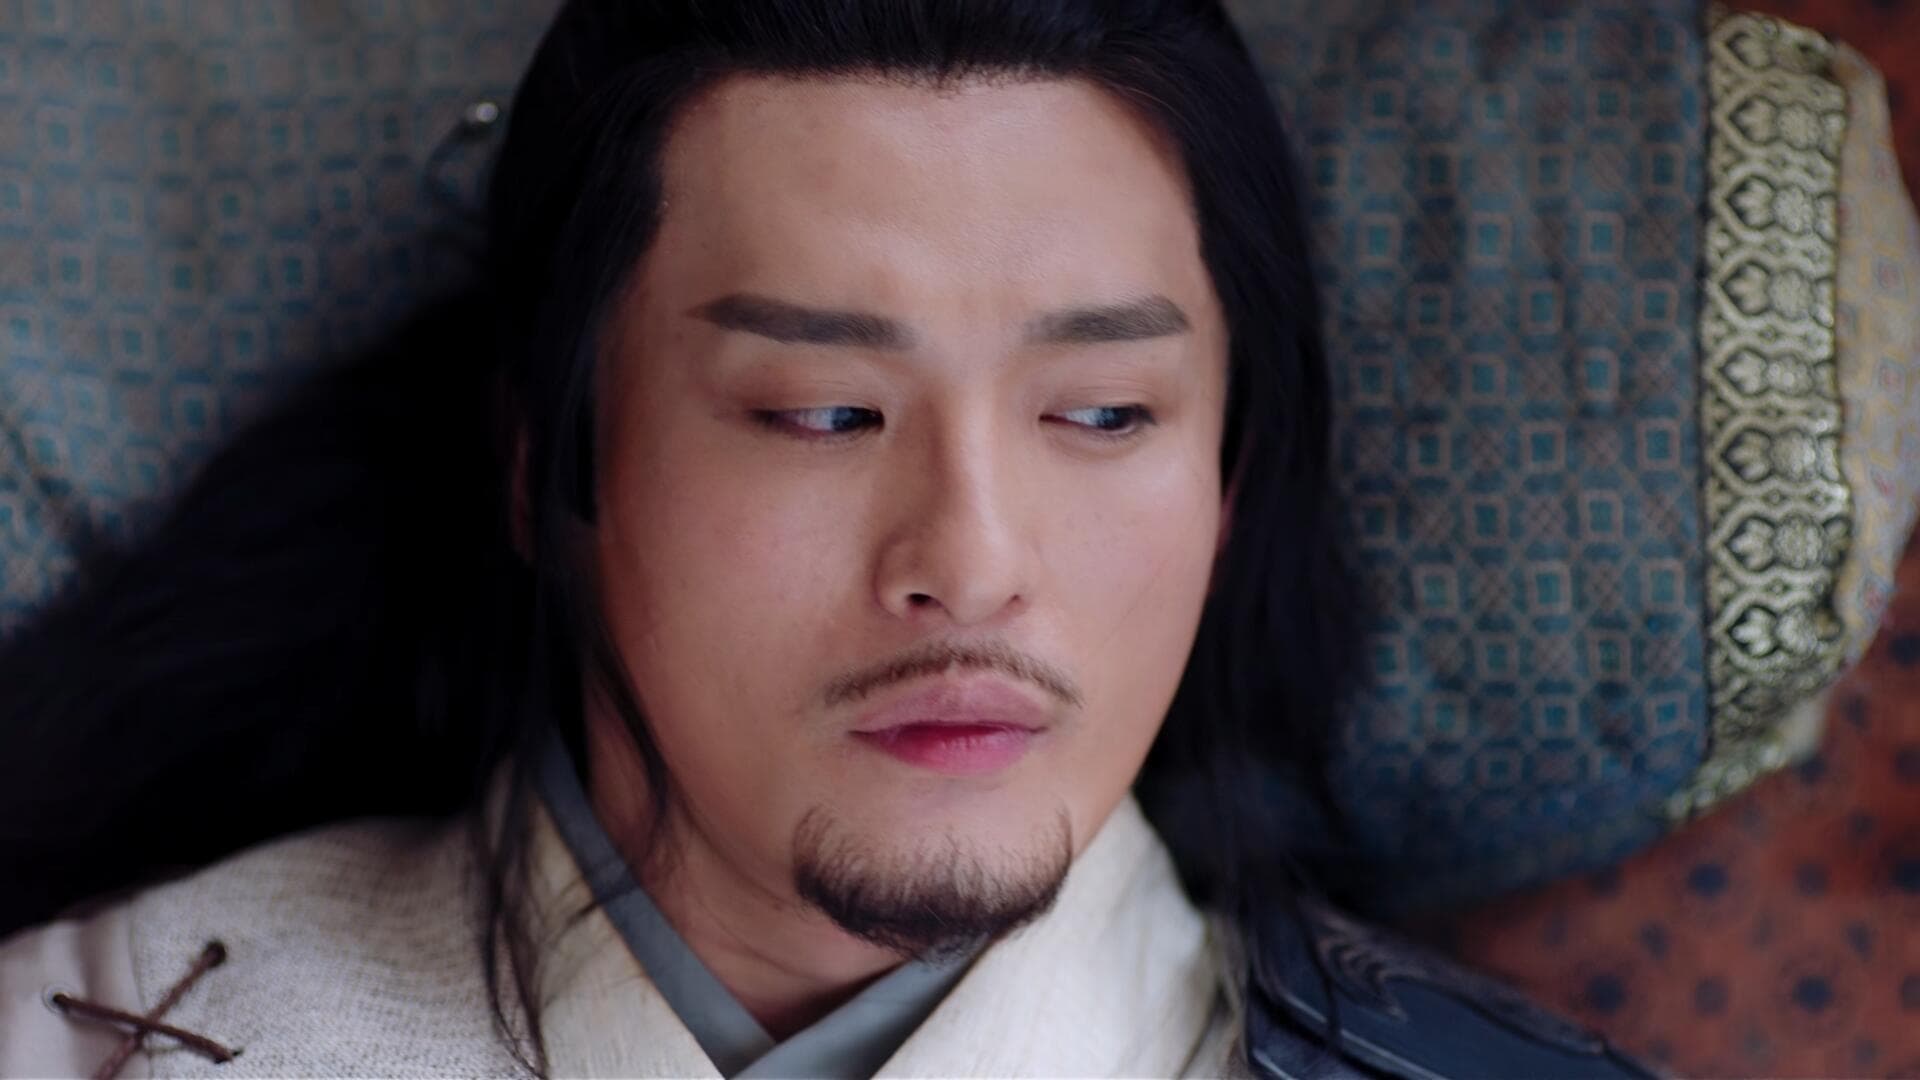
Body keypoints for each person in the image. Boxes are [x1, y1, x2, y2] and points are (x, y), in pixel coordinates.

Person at [0, 2, 1654, 1076]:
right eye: (821, 412)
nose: (972, 561)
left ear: (1230, 485)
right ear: (546, 465)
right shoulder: (84, 1032)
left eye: (1103, 414)